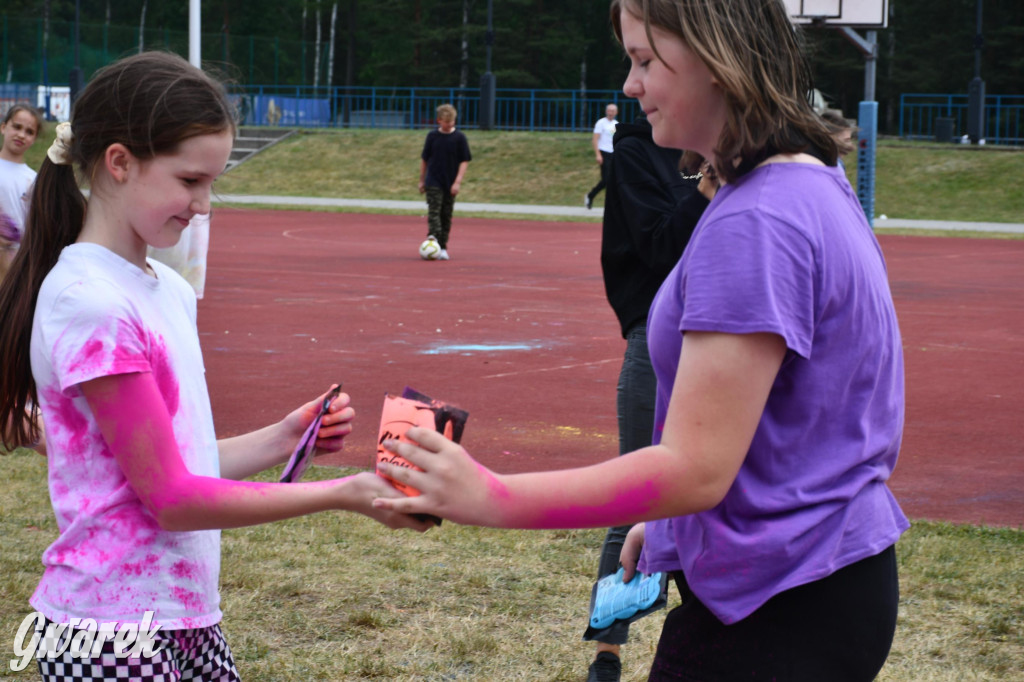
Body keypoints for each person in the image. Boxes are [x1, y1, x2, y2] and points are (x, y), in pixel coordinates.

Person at [374, 1, 909, 680]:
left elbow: (695, 467)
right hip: (819, 577)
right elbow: (795, 421)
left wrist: (489, 496)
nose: (630, 85)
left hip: (781, 604)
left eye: (645, 61)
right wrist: (676, 524)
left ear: (717, 62)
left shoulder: (758, 220)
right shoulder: (806, 179)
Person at [0, 52, 430, 681]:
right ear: (119, 163)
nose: (204, 204)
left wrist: (286, 437)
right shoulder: (91, 302)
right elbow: (172, 499)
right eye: (189, 181)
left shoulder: (164, 290)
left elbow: (179, 463)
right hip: (109, 632)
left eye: (212, 183)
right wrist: (343, 494)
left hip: (181, 617)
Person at [587, 115, 714, 682]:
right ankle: (607, 654)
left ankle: (711, 635)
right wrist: (709, 189)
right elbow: (661, 246)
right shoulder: (635, 153)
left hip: (723, 335)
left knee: (715, 497)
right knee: (635, 497)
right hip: (655, 332)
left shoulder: (733, 151)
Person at [418, 103, 471, 261]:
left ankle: (443, 247)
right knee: (434, 211)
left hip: (450, 181)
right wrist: (422, 180)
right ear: (439, 121)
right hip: (433, 180)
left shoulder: (459, 138)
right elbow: (425, 159)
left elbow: (464, 160)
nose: (450, 125)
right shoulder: (432, 136)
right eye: (446, 122)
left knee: (446, 214)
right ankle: (433, 240)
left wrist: (458, 182)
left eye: (452, 122)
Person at [0, 104, 44, 277]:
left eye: (29, 132)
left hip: (15, 265)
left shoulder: (34, 180)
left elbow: (35, 226)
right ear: (4, 127)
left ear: (34, 139)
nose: (21, 135)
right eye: (17, 127)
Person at [585, 103, 619, 209]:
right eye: (609, 110)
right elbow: (595, 139)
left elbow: (614, 138)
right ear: (606, 111)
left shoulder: (616, 124)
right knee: (606, 180)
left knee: (614, 180)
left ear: (616, 112)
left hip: (613, 153)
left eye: (613, 111)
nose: (610, 113)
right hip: (604, 153)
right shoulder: (601, 123)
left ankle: (612, 204)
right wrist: (598, 154)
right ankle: (590, 196)